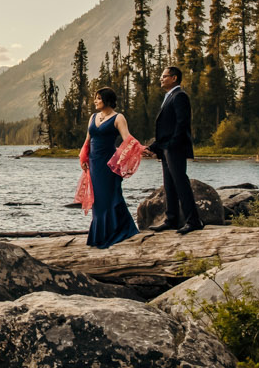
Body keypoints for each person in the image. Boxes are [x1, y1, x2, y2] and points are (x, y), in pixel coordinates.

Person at [77, 87, 143, 248]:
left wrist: (140, 148)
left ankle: (117, 231)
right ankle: (99, 235)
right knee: (98, 199)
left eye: (98, 98)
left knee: (111, 196)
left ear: (107, 100)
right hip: (94, 163)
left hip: (109, 164)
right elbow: (88, 139)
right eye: (95, 98)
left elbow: (127, 139)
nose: (95, 101)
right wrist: (83, 157)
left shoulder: (118, 118)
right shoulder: (93, 117)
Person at [148, 65, 201, 231]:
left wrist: (172, 145)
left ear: (174, 78)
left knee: (181, 183)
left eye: (164, 76)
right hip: (165, 148)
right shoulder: (168, 96)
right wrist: (154, 146)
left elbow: (181, 123)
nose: (161, 79)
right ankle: (171, 219)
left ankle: (193, 222)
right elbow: (166, 127)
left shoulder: (180, 96)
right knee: (169, 184)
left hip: (175, 148)